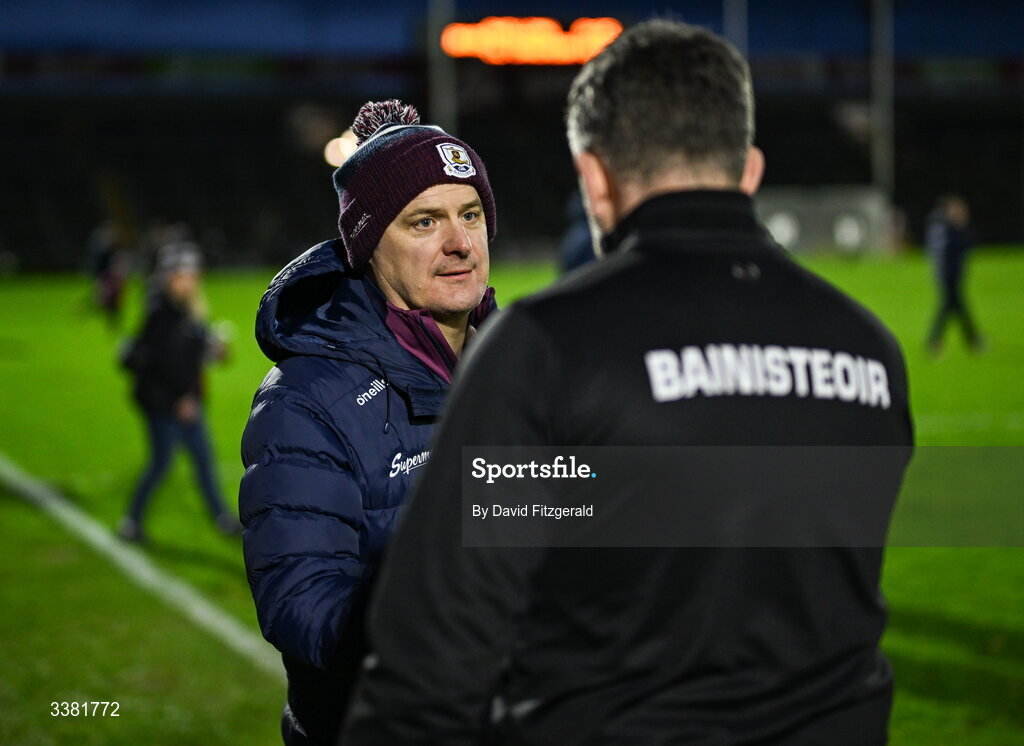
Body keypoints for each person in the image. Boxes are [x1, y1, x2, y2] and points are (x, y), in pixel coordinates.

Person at [341, 21, 914, 745]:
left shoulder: (549, 348)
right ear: (750, 170)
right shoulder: (869, 354)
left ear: (594, 179)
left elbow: (432, 663)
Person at [238, 100, 497, 746]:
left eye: (470, 215)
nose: (459, 243)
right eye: (424, 222)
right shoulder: (303, 401)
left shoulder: (520, 365)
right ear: (369, 244)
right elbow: (303, 608)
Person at [118, 242, 237, 542]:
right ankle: (131, 521)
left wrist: (214, 351)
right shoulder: (160, 312)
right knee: (161, 464)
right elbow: (160, 364)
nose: (192, 279)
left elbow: (189, 354)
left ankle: (221, 517)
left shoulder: (186, 306)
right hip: (164, 404)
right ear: (170, 276)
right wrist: (179, 399)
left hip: (187, 401)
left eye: (194, 273)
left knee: (203, 460)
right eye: (185, 273)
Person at [925, 194, 984, 354]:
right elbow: (968, 244)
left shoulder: (945, 229)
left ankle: (971, 340)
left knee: (953, 307)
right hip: (949, 276)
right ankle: (970, 340)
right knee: (952, 307)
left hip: (950, 275)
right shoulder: (951, 231)